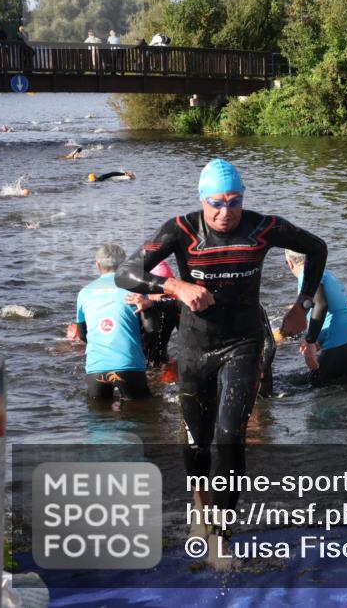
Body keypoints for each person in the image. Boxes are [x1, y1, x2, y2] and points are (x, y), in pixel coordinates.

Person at [115, 158, 327, 566]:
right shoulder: (181, 229)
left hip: (243, 344)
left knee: (230, 437)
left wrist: (302, 305)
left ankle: (223, 535)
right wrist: (174, 285)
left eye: (234, 202)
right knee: (197, 441)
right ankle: (200, 507)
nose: (225, 212)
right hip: (195, 348)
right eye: (216, 202)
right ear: (202, 199)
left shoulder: (262, 227)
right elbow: (125, 274)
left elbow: (316, 248)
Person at [75, 245, 150, 400]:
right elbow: (149, 328)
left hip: (96, 368)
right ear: (124, 265)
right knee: (140, 416)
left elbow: (83, 335)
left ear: (98, 265)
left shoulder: (84, 292)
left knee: (99, 419)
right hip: (130, 366)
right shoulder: (136, 288)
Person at [284, 250, 347, 384]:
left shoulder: (307, 274)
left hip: (341, 344)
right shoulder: (326, 273)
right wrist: (317, 341)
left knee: (308, 389)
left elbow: (321, 304)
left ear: (289, 263)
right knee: (345, 391)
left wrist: (310, 341)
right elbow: (330, 313)